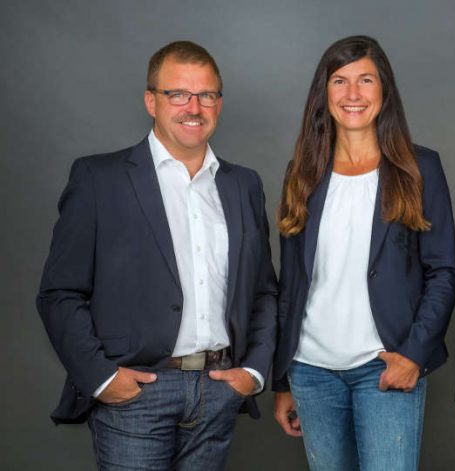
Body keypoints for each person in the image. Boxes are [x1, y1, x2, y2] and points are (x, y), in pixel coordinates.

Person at [36, 40, 277, 470]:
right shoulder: (99, 179)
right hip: (136, 393)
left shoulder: (243, 185)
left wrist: (254, 372)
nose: (194, 107)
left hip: (220, 388)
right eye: (178, 94)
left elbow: (263, 291)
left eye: (206, 94)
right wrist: (103, 378)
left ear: (219, 103)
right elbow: (59, 293)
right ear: (152, 101)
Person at [272, 35, 455, 470]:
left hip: (385, 368)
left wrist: (413, 353)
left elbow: (444, 272)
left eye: (365, 80)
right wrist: (282, 377)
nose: (352, 94)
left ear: (384, 90)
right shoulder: (301, 173)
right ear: (324, 92)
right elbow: (290, 286)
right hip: (311, 371)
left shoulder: (418, 168)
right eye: (339, 81)